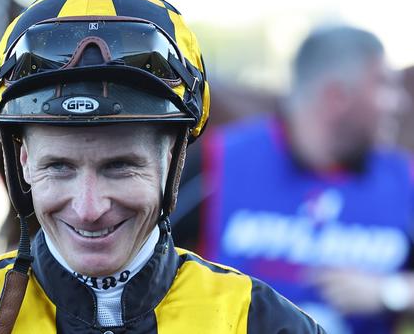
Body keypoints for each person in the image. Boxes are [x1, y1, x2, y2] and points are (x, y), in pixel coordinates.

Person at [0, 0, 324, 333]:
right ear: (22, 163)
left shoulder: (263, 323)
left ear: (171, 159)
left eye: (119, 167)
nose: (89, 208)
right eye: (59, 167)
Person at [172, 25, 414, 334]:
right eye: (384, 86)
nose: (400, 103)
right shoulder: (219, 161)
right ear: (336, 97)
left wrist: (390, 292)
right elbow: (143, 260)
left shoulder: (403, 180)